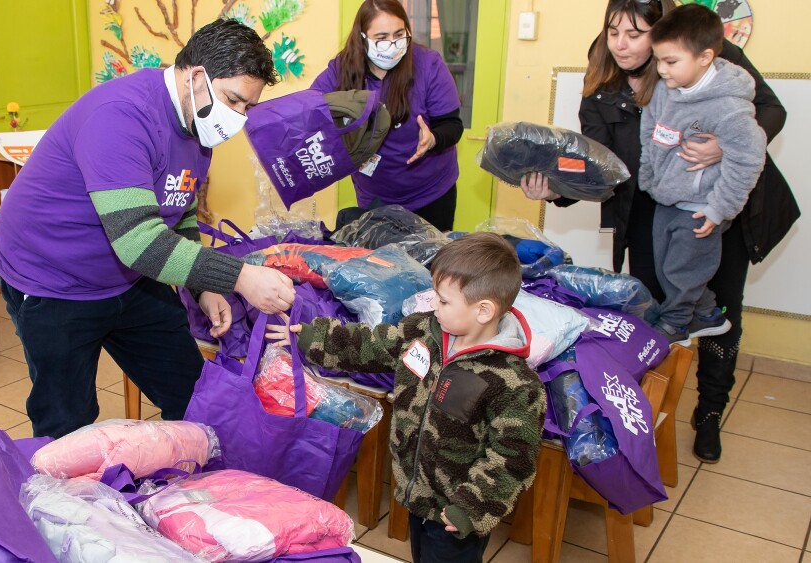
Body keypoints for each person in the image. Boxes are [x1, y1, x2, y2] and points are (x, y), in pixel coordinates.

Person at [520, 0, 798, 463]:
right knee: (654, 314)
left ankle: (709, 412)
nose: (622, 44)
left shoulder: (702, 50)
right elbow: (600, 167)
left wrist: (723, 147)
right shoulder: (603, 85)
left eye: (635, 33)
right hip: (650, 213)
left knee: (718, 312)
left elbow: (771, 111)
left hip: (720, 206)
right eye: (613, 32)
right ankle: (647, 411)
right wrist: (552, 190)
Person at [0, 19, 296, 439]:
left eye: (247, 107)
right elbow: (139, 241)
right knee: (67, 420)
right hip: (53, 278)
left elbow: (179, 210)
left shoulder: (198, 123)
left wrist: (203, 289)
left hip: (128, 277)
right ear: (195, 77)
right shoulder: (120, 117)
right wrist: (239, 278)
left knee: (191, 393)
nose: (238, 118)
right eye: (233, 101)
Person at [268, 232, 545, 563]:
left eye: (443, 301)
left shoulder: (514, 384)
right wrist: (312, 338)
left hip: (456, 513)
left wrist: (471, 509)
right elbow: (372, 344)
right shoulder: (424, 332)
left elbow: (513, 458)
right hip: (415, 494)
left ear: (484, 311)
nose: (434, 305)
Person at [639, 3, 765, 347]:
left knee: (683, 269)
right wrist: (649, 177)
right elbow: (651, 131)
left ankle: (677, 323)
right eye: (658, 60)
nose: (662, 70)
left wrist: (719, 208)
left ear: (705, 57)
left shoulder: (728, 106)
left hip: (701, 204)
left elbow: (747, 160)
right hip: (667, 195)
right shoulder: (667, 88)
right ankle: (707, 312)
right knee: (666, 266)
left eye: (671, 62)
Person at [310, 0, 464, 232]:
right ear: (362, 37)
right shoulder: (342, 69)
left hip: (432, 193)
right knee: (382, 265)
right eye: (381, 38)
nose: (392, 45)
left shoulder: (428, 64)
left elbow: (452, 125)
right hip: (375, 197)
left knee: (430, 264)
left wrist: (433, 139)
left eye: (399, 34)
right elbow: (310, 111)